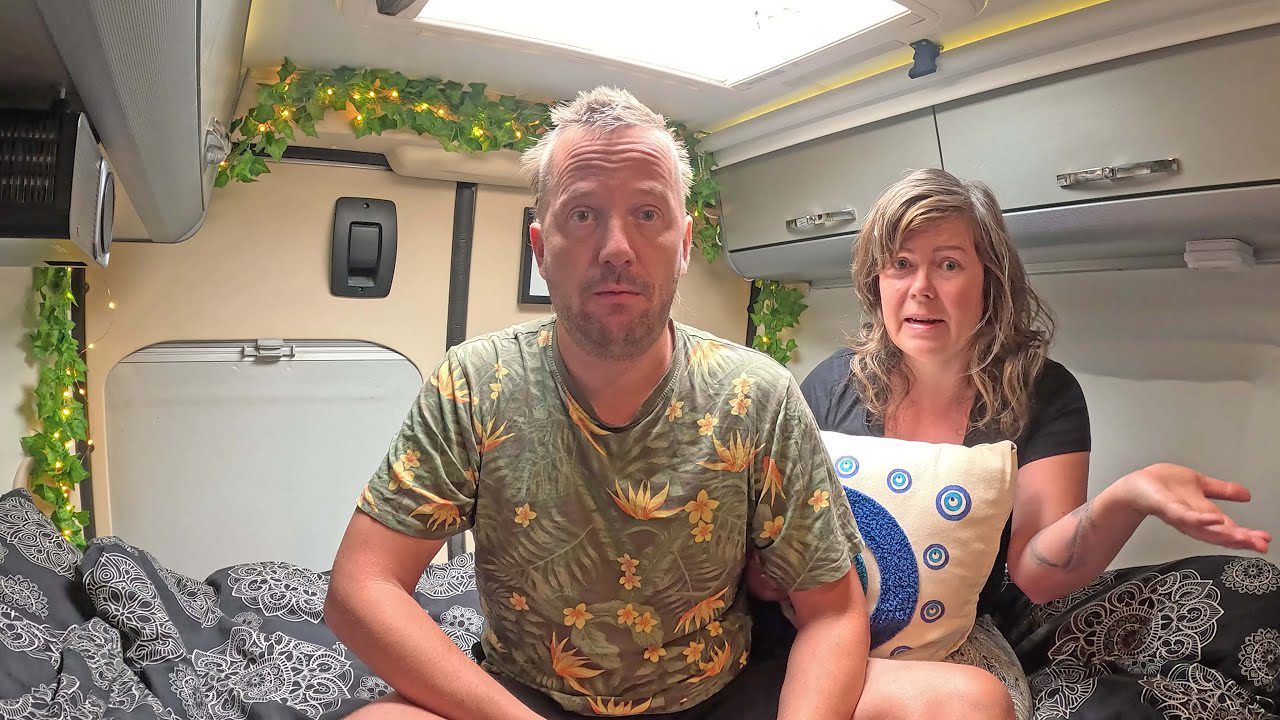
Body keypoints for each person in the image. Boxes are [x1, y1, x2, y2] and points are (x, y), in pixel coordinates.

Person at [325, 88, 1015, 720]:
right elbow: (362, 587)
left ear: (683, 245)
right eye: (583, 215)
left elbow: (834, 611)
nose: (616, 248)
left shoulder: (756, 395)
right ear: (541, 247)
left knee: (970, 702)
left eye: (647, 214)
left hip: (718, 697)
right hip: (527, 699)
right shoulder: (475, 384)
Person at [777, 167, 1273, 712]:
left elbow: (1036, 578)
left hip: (958, 633)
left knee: (1254, 593)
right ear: (877, 279)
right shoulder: (831, 385)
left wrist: (1128, 498)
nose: (921, 288)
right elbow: (782, 540)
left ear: (990, 281)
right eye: (900, 264)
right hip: (823, 628)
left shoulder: (1042, 392)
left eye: (948, 264)